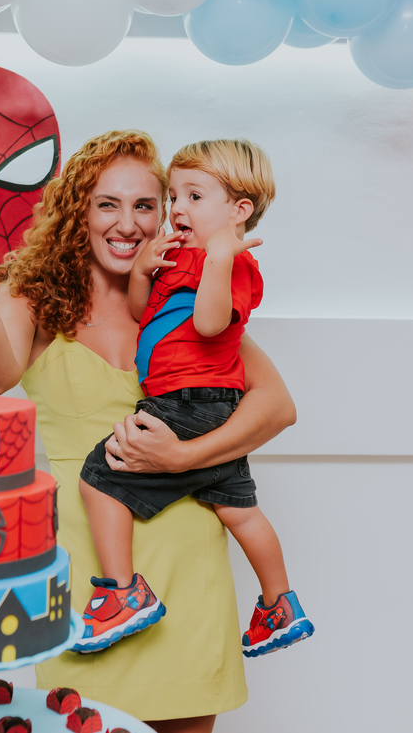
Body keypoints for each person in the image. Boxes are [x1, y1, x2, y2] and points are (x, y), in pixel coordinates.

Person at [0, 130, 296, 733]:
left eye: (145, 205)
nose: (128, 223)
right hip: (94, 585)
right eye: (108, 204)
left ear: (166, 214)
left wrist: (184, 457)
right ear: (80, 211)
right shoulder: (39, 298)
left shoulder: (180, 294)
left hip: (189, 566)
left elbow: (277, 405)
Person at [75, 140, 313, 659]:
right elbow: (145, 313)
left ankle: (122, 594)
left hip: (188, 402)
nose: (177, 208)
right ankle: (280, 604)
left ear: (239, 211)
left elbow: (208, 323)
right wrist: (143, 269)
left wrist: (221, 259)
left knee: (99, 477)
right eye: (174, 195)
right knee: (239, 511)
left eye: (194, 196)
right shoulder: (178, 258)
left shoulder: (235, 267)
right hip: (210, 406)